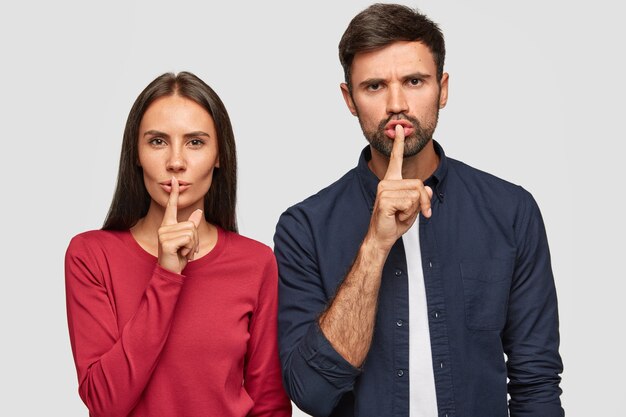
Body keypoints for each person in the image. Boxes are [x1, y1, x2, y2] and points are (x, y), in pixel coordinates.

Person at [273, 4, 563, 417]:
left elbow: (536, 383)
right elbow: (312, 394)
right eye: (374, 86)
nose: (396, 104)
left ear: (442, 88)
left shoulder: (511, 212)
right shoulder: (304, 228)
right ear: (349, 99)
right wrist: (374, 245)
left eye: (414, 81)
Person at [65, 72, 291, 417]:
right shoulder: (91, 256)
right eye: (157, 141)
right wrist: (166, 274)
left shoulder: (255, 262)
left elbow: (269, 403)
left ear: (219, 156)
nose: (175, 161)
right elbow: (104, 402)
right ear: (136, 154)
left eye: (195, 142)